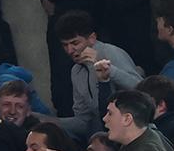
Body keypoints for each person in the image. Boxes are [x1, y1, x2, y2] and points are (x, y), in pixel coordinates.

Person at [54, 11, 143, 139]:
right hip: (106, 136)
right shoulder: (76, 71)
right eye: (65, 45)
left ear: (92, 38)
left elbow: (141, 89)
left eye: (75, 43)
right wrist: (51, 122)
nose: (69, 50)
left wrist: (110, 71)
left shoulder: (111, 53)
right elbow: (84, 120)